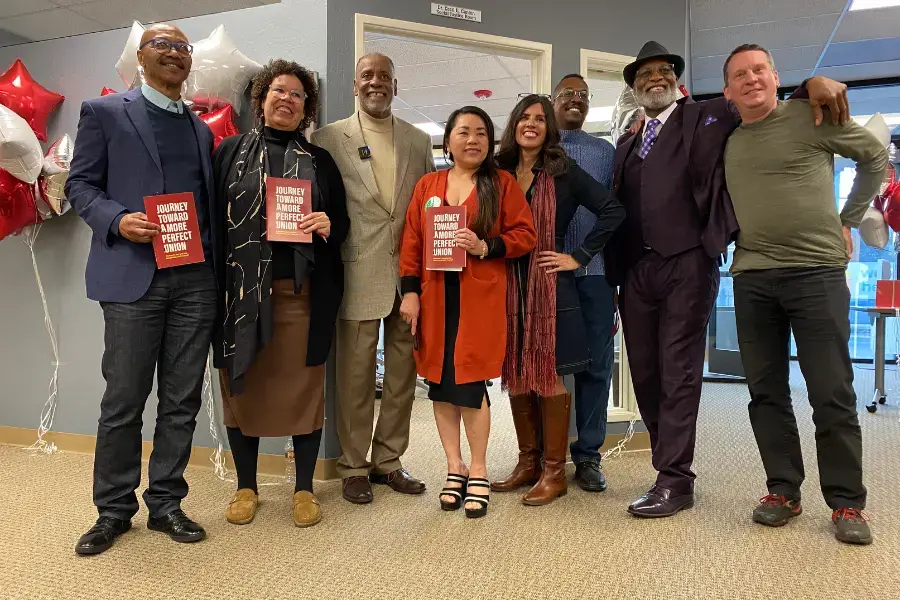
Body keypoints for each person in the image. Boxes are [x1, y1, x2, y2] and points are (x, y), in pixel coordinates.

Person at [605, 40, 852, 519]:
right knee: (647, 374)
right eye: (643, 75)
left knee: (678, 372)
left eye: (662, 71)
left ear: (676, 81)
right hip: (636, 271)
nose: (652, 79)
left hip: (688, 262)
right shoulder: (629, 140)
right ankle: (666, 466)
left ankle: (675, 479)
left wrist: (809, 88)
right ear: (634, 88)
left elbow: (761, 102)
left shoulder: (710, 115)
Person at [722, 44, 887, 545]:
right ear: (728, 91)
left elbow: (876, 157)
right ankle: (783, 491)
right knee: (765, 392)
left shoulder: (810, 116)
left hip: (816, 273)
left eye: (758, 70)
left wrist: (849, 219)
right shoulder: (727, 141)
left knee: (831, 390)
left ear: (775, 76)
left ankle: (847, 503)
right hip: (751, 276)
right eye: (739, 75)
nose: (751, 80)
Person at [66, 24, 217, 555]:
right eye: (163, 45)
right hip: (133, 276)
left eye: (182, 47)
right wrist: (117, 219)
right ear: (140, 56)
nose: (175, 53)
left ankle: (167, 503)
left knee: (181, 400)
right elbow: (79, 184)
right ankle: (112, 511)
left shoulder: (200, 129)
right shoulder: (105, 113)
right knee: (124, 400)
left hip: (195, 278)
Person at [211, 60, 349, 528]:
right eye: (278, 90)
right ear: (261, 98)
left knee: (304, 391)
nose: (286, 99)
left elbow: (344, 224)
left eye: (296, 94)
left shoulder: (320, 161)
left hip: (300, 296)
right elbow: (212, 221)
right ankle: (246, 486)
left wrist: (329, 224)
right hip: (241, 296)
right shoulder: (228, 152)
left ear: (306, 108)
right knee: (241, 388)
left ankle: (305, 489)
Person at [399, 106, 536, 518]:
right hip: (436, 297)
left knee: (471, 383)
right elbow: (411, 242)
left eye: (481, 132)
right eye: (463, 131)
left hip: (481, 298)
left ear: (490, 141)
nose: (472, 139)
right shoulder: (428, 186)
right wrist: (409, 293)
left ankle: (477, 469)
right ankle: (453, 466)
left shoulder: (502, 184)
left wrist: (485, 246)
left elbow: (525, 234)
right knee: (440, 384)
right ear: (449, 139)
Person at [310, 53, 434, 504]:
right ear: (356, 85)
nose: (376, 82)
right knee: (356, 377)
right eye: (368, 76)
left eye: (385, 76)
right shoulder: (327, 138)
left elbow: (427, 207)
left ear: (396, 86)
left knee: (402, 376)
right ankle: (354, 465)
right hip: (355, 270)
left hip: (409, 278)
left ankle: (389, 461)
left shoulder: (419, 142)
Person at [492, 94, 625, 506]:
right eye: (524, 118)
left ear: (549, 129)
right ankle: (527, 462)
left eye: (539, 119)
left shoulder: (562, 171)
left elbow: (612, 210)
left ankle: (554, 472)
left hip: (551, 284)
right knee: (516, 370)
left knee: (548, 374)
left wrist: (579, 256)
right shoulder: (496, 171)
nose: (531, 125)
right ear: (514, 124)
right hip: (505, 281)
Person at [552, 74, 618, 492]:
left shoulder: (605, 153)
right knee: (547, 367)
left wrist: (586, 256)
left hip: (594, 276)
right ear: (553, 101)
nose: (576, 100)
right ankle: (546, 453)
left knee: (596, 365)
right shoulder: (537, 149)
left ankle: (589, 455)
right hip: (547, 277)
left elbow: (617, 211)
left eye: (584, 96)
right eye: (568, 95)